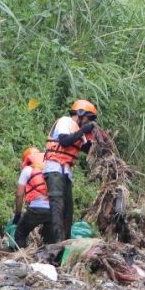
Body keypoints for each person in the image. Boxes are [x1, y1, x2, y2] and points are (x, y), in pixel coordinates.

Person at [43, 99, 97, 242]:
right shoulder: (65, 122)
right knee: (57, 208)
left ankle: (64, 247)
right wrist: (83, 131)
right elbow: (64, 141)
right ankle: (54, 245)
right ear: (80, 114)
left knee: (68, 211)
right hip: (54, 170)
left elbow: (88, 150)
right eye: (88, 118)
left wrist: (95, 142)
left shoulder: (78, 131)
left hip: (65, 173)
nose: (88, 122)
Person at [12, 148, 51, 248]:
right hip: (54, 209)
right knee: (49, 239)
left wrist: (18, 214)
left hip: (36, 209)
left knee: (20, 233)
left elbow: (19, 194)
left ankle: (21, 257)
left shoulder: (27, 170)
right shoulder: (50, 168)